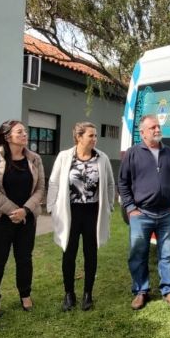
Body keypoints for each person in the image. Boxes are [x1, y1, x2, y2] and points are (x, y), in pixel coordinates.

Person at [118, 114, 170, 310]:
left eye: (158, 126)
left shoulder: (169, 153)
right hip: (142, 213)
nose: (157, 130)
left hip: (166, 214)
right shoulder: (133, 153)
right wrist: (130, 207)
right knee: (138, 254)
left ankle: (169, 290)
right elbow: (123, 182)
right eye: (153, 127)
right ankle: (141, 291)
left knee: (168, 254)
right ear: (142, 133)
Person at [47, 122, 115, 312]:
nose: (95, 139)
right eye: (91, 135)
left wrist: (109, 205)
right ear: (79, 137)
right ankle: (69, 294)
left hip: (93, 212)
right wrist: (52, 207)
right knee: (68, 253)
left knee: (90, 254)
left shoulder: (102, 158)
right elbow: (53, 182)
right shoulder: (64, 157)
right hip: (71, 212)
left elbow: (110, 183)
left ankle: (88, 294)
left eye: (95, 136)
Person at [0, 120, 45, 319]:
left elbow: (40, 189)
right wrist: (13, 211)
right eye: (20, 132)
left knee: (24, 259)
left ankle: (25, 294)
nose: (25, 134)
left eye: (25, 131)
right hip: (1, 219)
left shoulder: (34, 159)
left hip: (26, 219)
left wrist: (25, 210)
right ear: (7, 136)